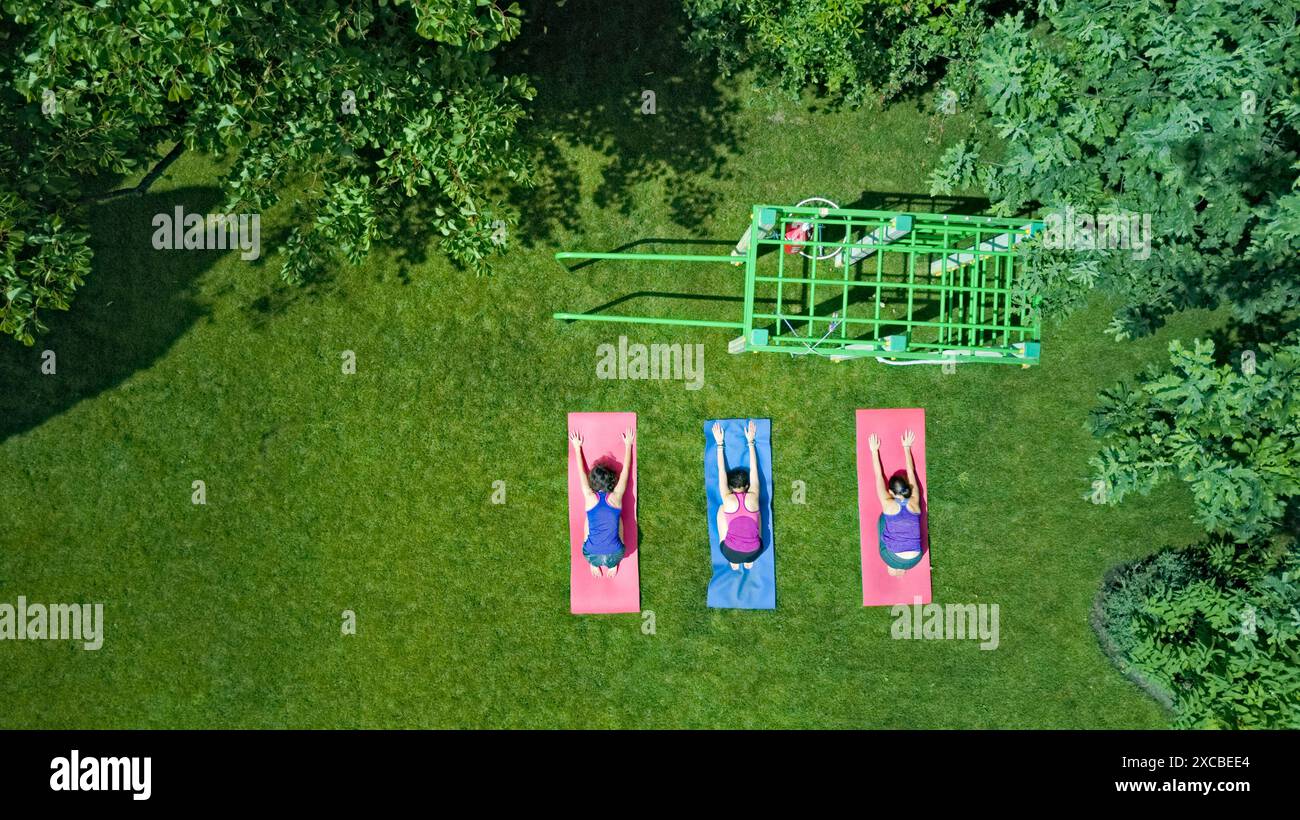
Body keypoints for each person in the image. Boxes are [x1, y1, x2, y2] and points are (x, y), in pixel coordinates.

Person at [570, 428, 633, 579]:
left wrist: (577, 448)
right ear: (612, 481)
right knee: (618, 519)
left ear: (593, 482)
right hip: (616, 555)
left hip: (591, 556)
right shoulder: (616, 497)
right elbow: (625, 473)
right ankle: (612, 565)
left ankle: (594, 564)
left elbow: (581, 473)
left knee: (588, 519)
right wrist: (628, 445)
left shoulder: (589, 497)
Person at [869, 429, 924, 576]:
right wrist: (907, 447)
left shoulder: (888, 505)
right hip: (915, 559)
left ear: (891, 492)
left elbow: (879, 476)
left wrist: (874, 451)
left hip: (900, 558)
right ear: (907, 488)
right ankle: (899, 565)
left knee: (882, 519)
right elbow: (911, 472)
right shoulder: (915, 500)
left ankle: (894, 566)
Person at [712, 420, 763, 571]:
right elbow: (754, 470)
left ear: (730, 486)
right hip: (755, 552)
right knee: (757, 515)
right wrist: (751, 441)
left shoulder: (727, 499)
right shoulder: (753, 495)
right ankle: (748, 562)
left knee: (722, 509)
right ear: (747, 486)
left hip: (730, 553)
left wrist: (720, 443)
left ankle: (734, 563)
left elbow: (721, 470)